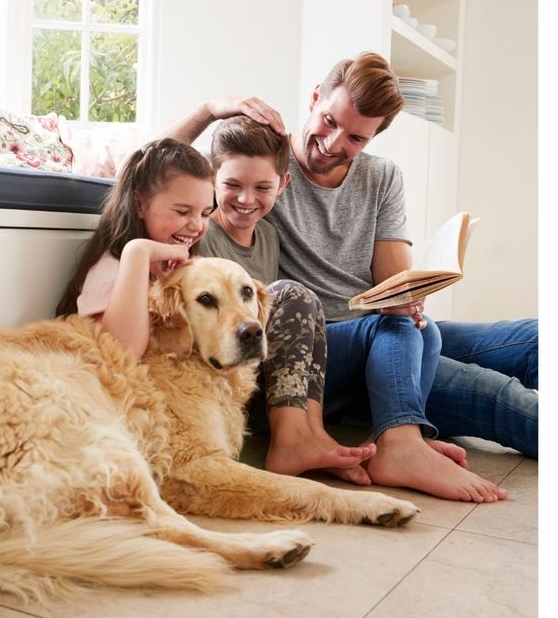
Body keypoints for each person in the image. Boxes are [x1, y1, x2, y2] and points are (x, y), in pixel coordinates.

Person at [156, 52, 538, 503]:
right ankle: (401, 438)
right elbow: (153, 168)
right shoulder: (258, 163)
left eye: (356, 137)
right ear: (315, 97)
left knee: (520, 337)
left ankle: (400, 425)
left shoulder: (378, 176)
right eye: (328, 120)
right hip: (321, 349)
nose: (334, 143)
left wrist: (410, 295)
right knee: (507, 401)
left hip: (377, 335)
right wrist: (209, 108)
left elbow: (392, 283)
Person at [194, 115, 376, 482]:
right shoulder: (202, 237)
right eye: (232, 184)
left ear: (283, 185)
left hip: (260, 379)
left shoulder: (269, 237)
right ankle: (291, 440)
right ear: (212, 179)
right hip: (224, 382)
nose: (247, 199)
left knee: (309, 306)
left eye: (262, 187)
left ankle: (310, 431)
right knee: (292, 293)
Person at [56, 138, 214, 359]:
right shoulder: (112, 272)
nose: (197, 225)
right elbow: (122, 355)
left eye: (206, 213)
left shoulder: (173, 267)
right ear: (139, 204)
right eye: (182, 212)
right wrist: (138, 252)